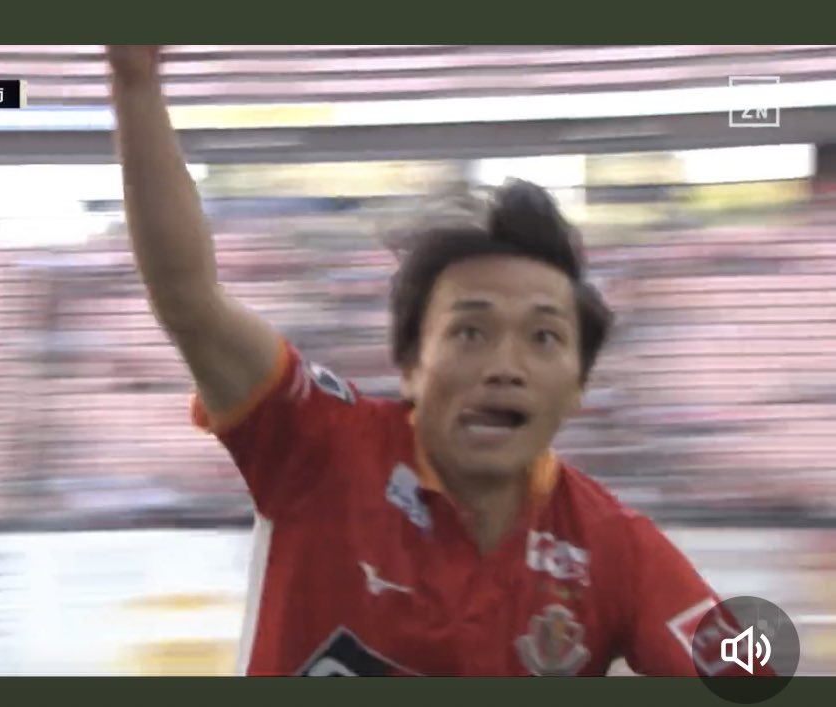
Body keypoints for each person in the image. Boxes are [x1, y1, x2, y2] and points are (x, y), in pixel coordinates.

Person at [104, 45, 767, 677]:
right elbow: (190, 299)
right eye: (471, 332)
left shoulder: (613, 547)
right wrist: (136, 82)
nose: (505, 366)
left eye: (543, 338)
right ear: (409, 366)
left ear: (578, 387)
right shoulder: (319, 445)